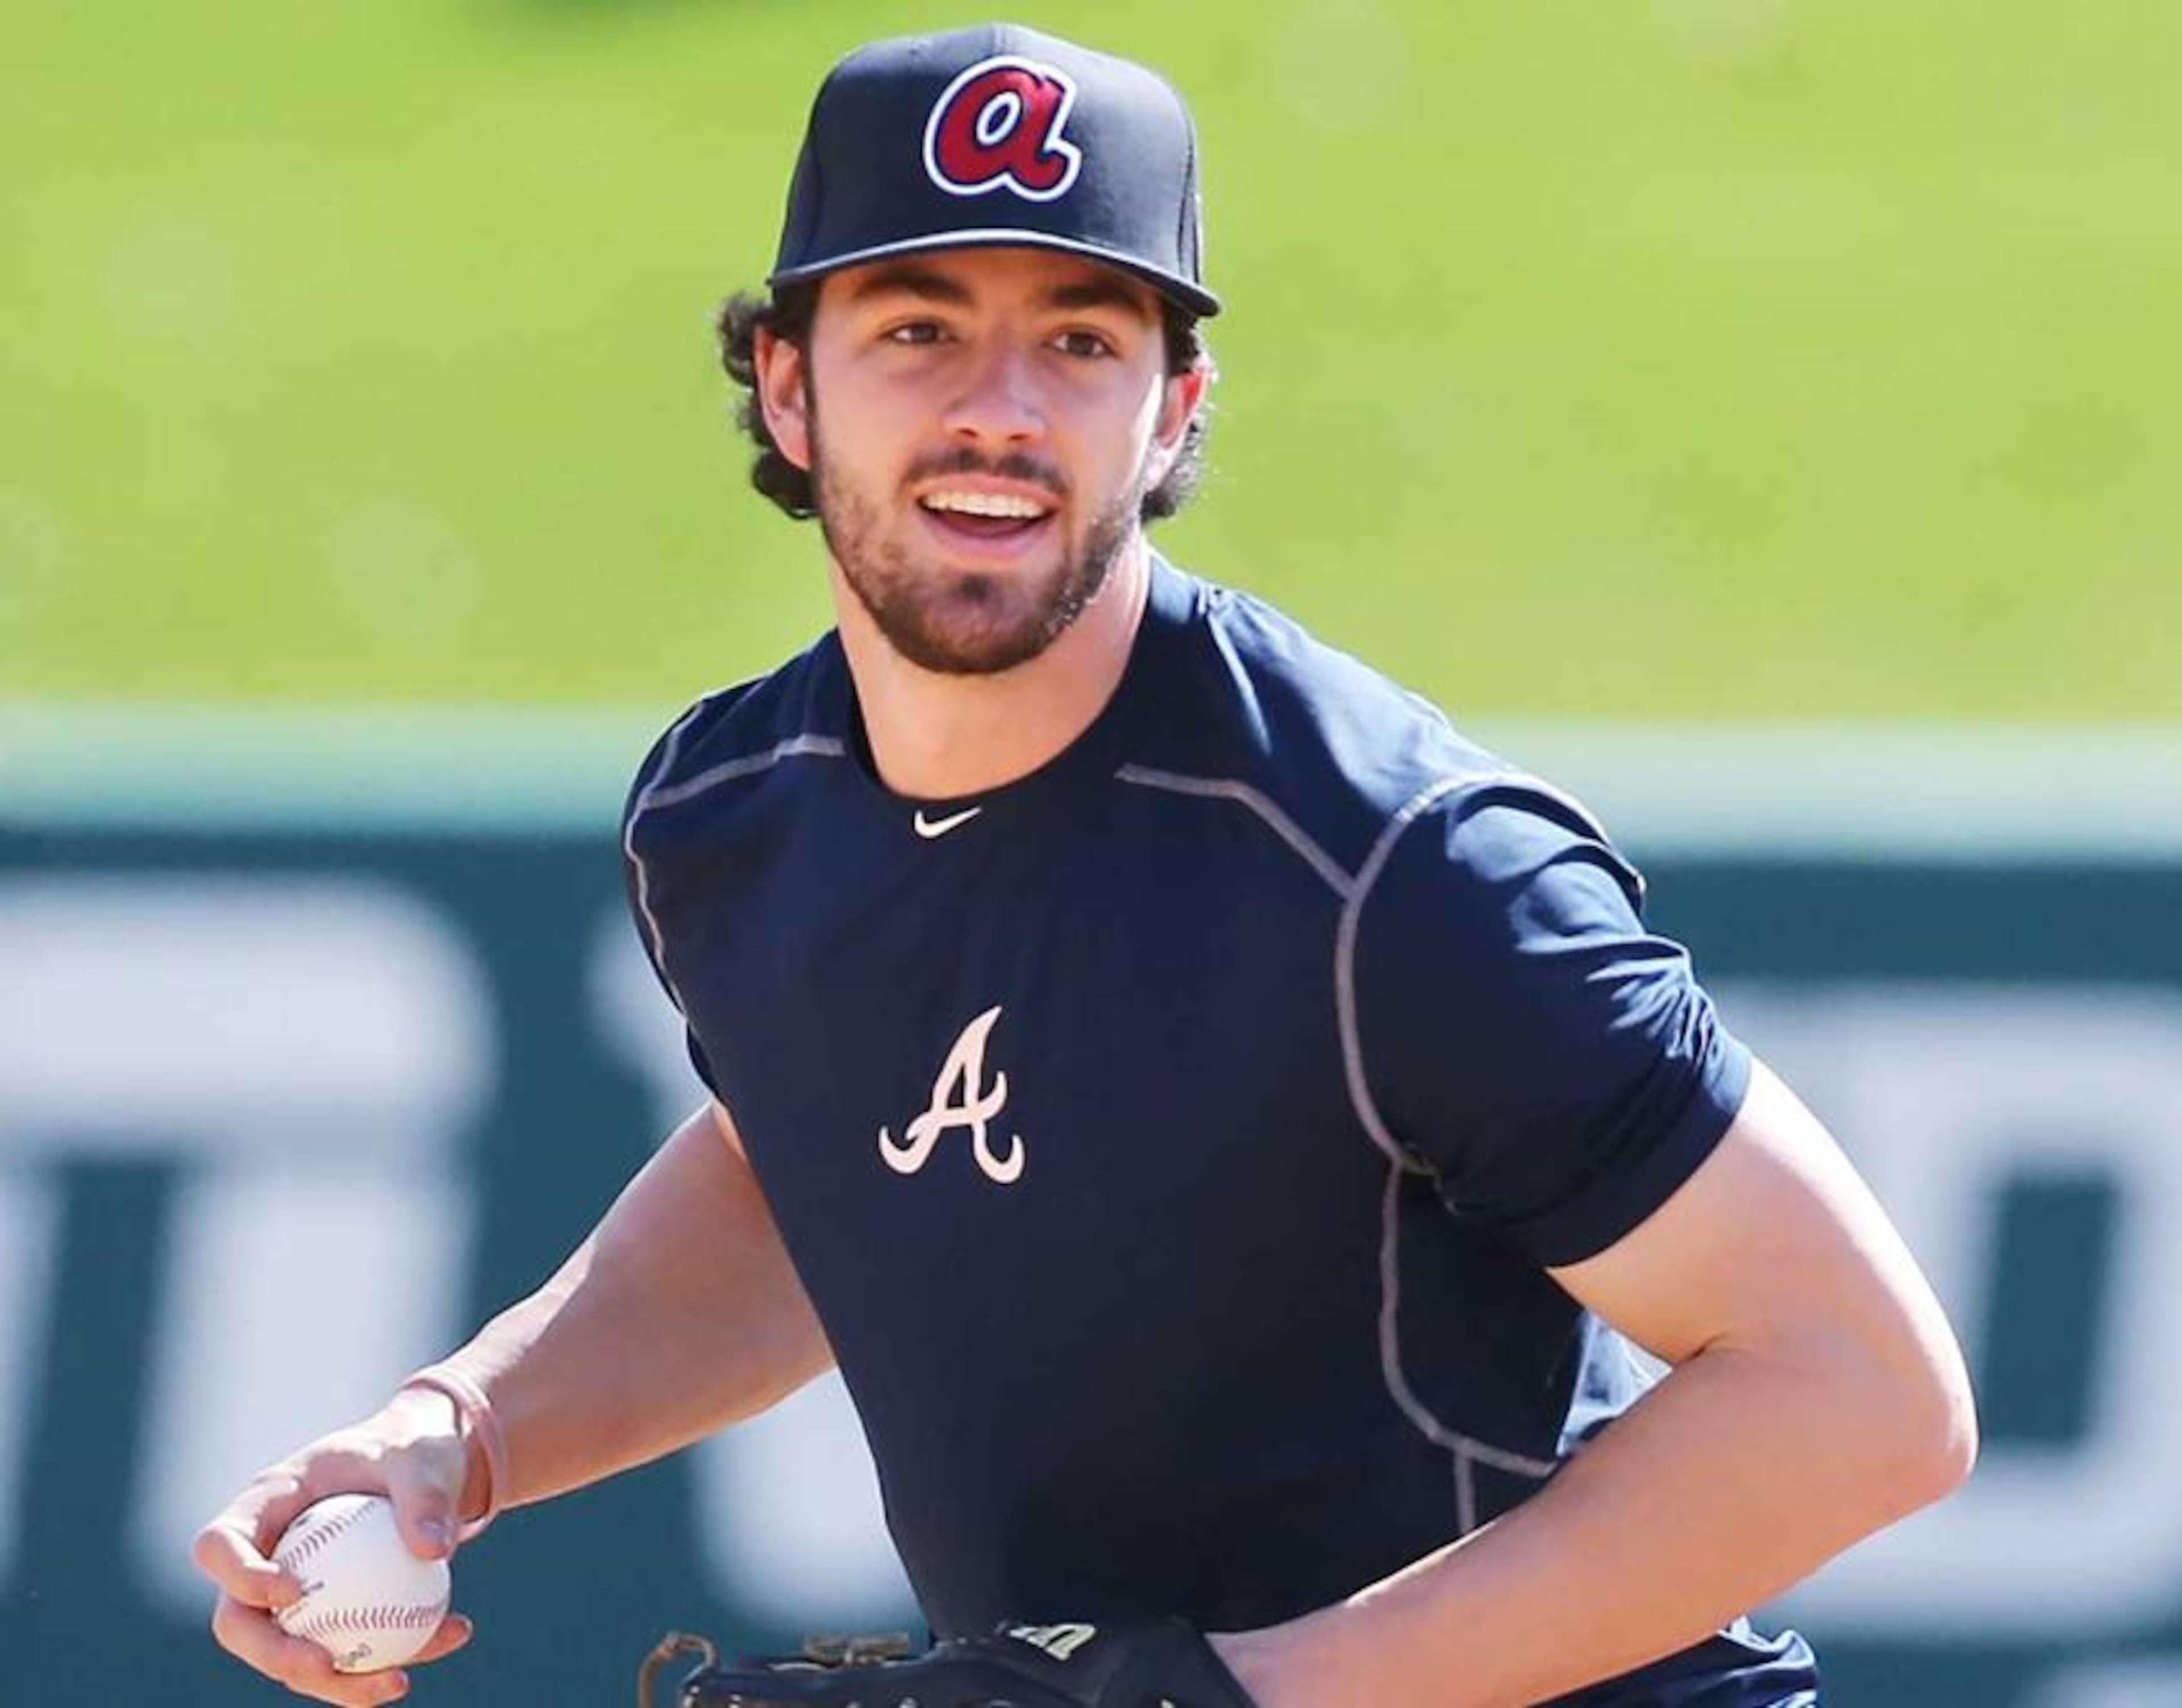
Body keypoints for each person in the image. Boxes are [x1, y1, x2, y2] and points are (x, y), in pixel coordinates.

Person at [194, 22, 1976, 1707]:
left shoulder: (1390, 869)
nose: (1002, 409)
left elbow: (1864, 1392)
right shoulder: (733, 816)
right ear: (786, 386)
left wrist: (1247, 1696)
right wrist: (462, 1431)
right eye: (917, 328)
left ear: (1176, 407)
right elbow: (805, 1166)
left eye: (1080, 339)